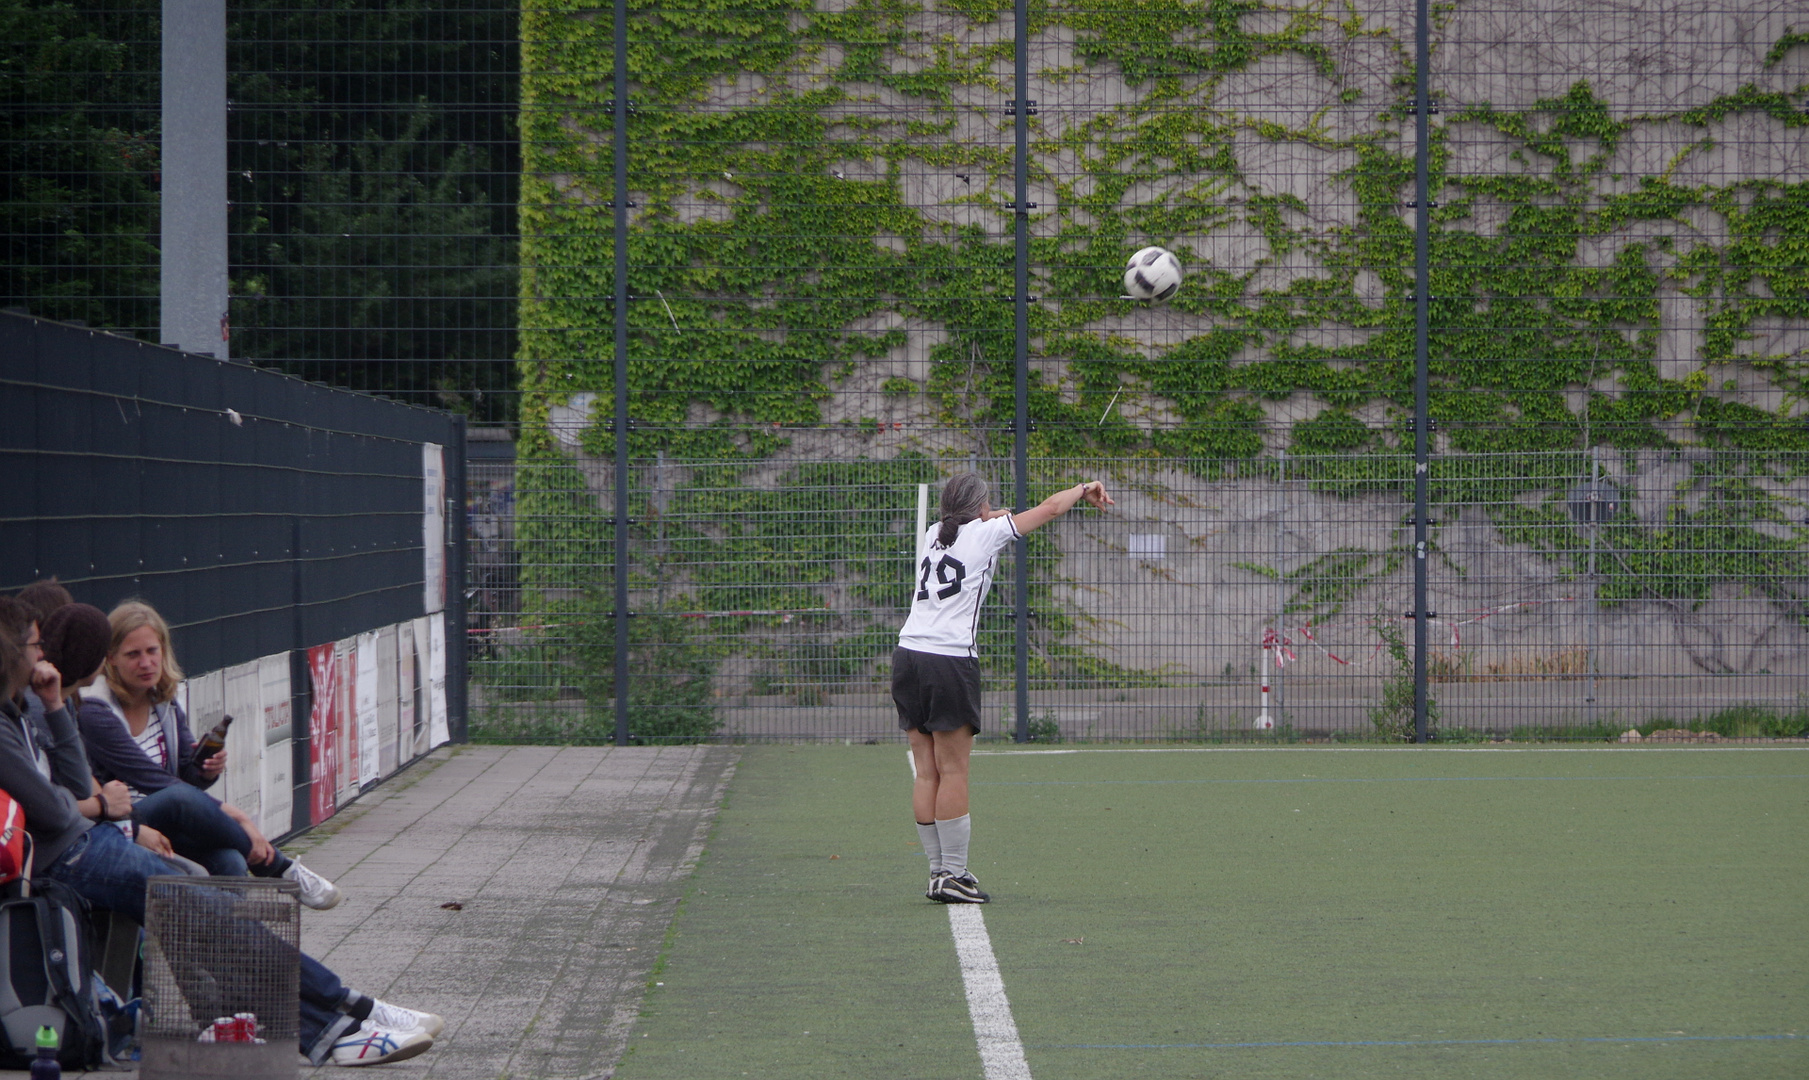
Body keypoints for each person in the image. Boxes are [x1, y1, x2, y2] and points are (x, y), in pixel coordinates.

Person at [0, 599, 442, 1067]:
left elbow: (68, 785)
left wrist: (52, 707)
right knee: (206, 911)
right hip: (68, 857)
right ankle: (339, 1024)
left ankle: (348, 1014)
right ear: (12, 652)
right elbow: (54, 812)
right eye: (35, 644)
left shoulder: (28, 708)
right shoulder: (20, 719)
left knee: (219, 902)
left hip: (89, 842)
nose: (42, 653)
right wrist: (102, 806)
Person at [894, 473, 1112, 903]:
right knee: (954, 770)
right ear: (980, 508)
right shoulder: (985, 533)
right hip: (949, 660)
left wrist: (990, 513)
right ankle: (952, 874)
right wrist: (1085, 488)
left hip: (908, 656)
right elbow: (1050, 508)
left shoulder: (934, 533)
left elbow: (984, 522)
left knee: (927, 771)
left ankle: (940, 872)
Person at [77, 600, 342, 908]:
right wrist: (238, 816)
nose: (146, 663)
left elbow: (188, 780)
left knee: (229, 860)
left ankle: (227, 949)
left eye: (152, 651)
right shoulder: (96, 710)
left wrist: (205, 771)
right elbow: (154, 782)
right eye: (133, 655)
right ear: (111, 659)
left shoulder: (162, 700)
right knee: (179, 799)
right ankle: (279, 868)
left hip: (169, 817)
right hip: (120, 823)